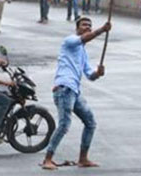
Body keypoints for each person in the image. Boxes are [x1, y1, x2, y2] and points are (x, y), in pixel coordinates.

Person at [41, 18, 109, 170]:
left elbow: (90, 75)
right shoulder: (70, 41)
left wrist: (98, 73)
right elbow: (85, 38)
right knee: (64, 125)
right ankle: (47, 159)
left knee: (90, 123)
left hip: (74, 91)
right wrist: (101, 30)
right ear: (77, 28)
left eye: (90, 26)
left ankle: (83, 158)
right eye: (84, 25)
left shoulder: (83, 52)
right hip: (64, 88)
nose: (88, 28)